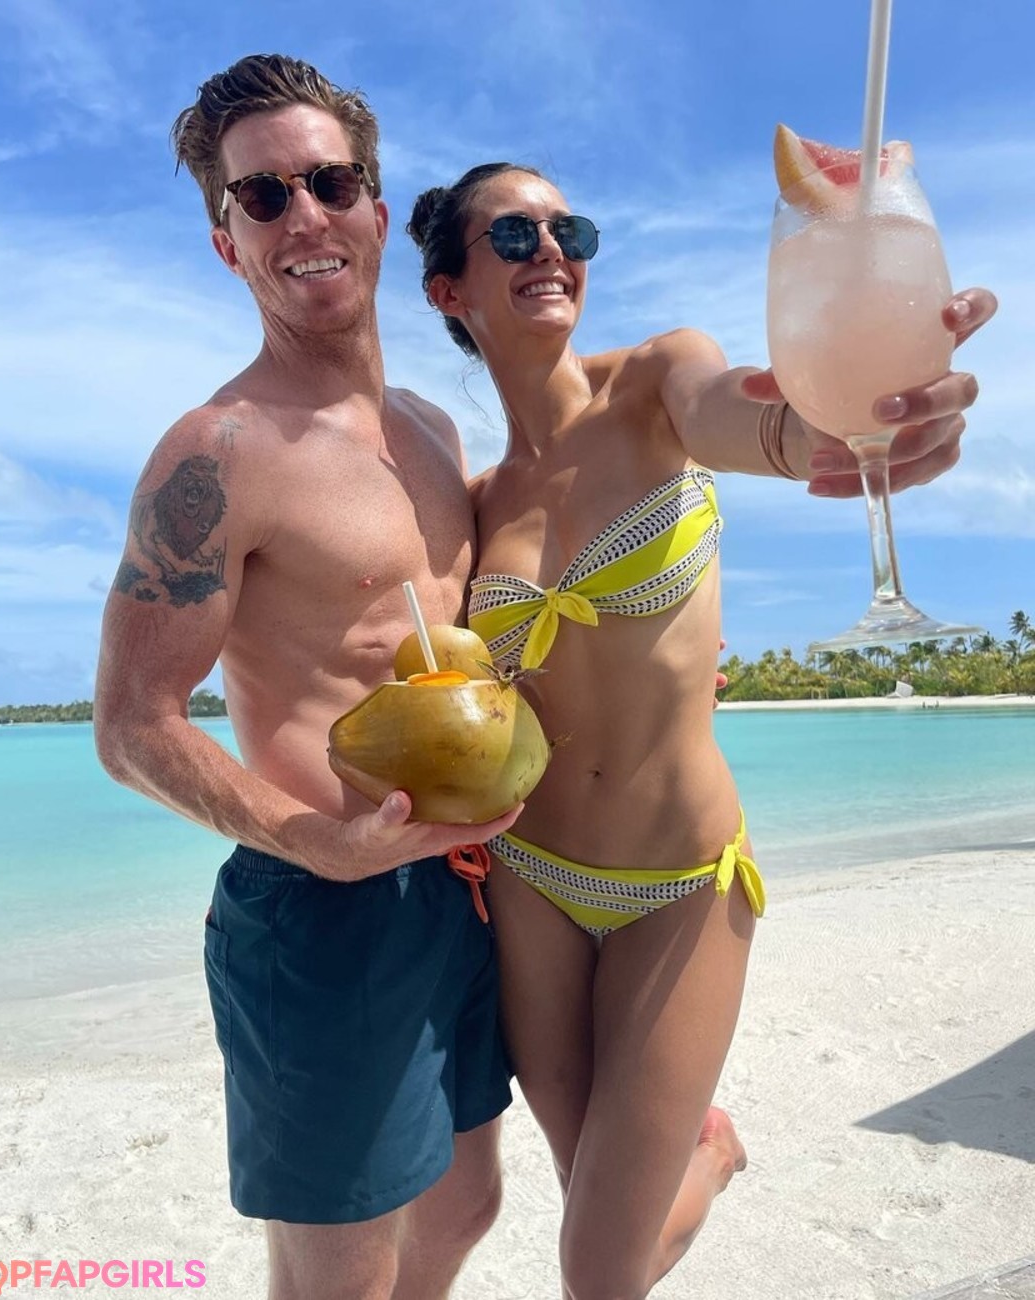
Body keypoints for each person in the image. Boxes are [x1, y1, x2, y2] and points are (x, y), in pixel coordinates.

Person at [406, 163, 996, 1300]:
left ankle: (714, 1156)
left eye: (571, 229)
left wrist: (859, 409)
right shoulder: (478, 502)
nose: (551, 249)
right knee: (592, 1199)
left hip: (680, 883)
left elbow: (762, 423)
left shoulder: (658, 379)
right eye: (514, 235)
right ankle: (701, 1155)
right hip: (532, 886)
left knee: (596, 1269)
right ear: (449, 291)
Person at [93, 55, 525, 1300]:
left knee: (467, 1203)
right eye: (262, 196)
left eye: (329, 183)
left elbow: (485, 634)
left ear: (377, 213)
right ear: (227, 243)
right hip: (321, 908)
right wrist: (315, 843)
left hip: (460, 892)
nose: (304, 216)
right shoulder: (218, 451)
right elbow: (131, 724)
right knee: (340, 1272)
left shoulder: (433, 429)